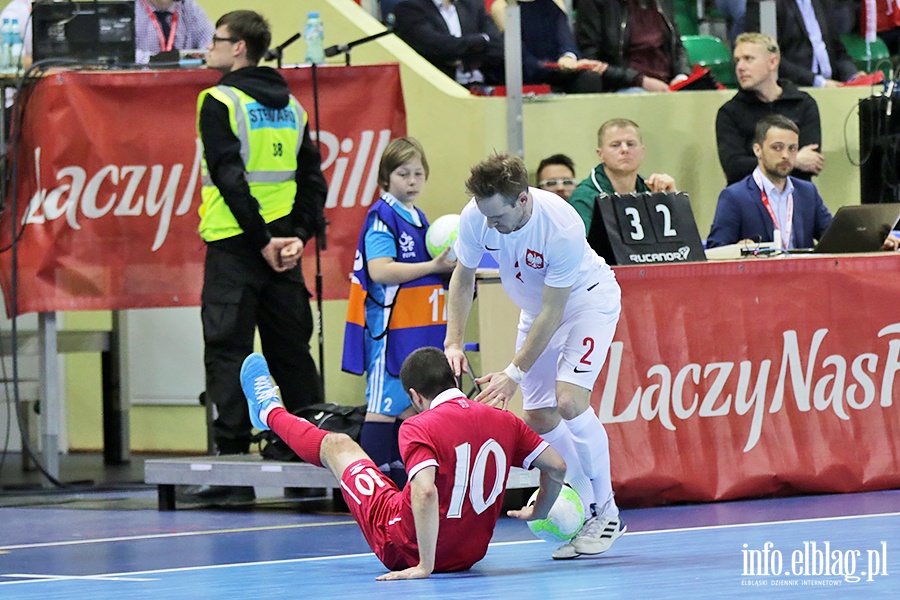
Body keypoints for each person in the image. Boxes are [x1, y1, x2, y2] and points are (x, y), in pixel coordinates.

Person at [241, 347, 568, 579]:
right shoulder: (504, 420)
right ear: (453, 382)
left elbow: (424, 492)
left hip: (402, 547)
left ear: (414, 396)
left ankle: (270, 412)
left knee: (338, 444)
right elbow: (556, 466)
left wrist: (424, 565)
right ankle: (270, 412)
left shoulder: (419, 425)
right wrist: (538, 510)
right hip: (470, 556)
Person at [444, 152, 625, 560]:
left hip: (585, 304)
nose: (491, 226)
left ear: (523, 199)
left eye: (498, 218)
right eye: (485, 216)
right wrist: (453, 341)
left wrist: (513, 373)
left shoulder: (560, 225)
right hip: (536, 310)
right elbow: (463, 274)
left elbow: (554, 312)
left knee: (569, 402)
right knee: (540, 416)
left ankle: (607, 512)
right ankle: (583, 497)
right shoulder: (477, 214)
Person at [186, 10, 326, 504]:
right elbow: (313, 180)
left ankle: (231, 473)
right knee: (292, 353)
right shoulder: (292, 105)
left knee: (229, 351)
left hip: (234, 246)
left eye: (216, 41)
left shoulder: (218, 100)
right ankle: (309, 460)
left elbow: (228, 176)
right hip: (284, 252)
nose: (209, 49)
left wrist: (262, 240)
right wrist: (296, 239)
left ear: (239, 48)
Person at [341, 137, 457, 489]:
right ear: (386, 178)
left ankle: (401, 484)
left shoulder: (418, 217)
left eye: (418, 173)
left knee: (409, 407)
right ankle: (369, 489)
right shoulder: (383, 216)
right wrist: (433, 265)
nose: (412, 180)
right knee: (382, 404)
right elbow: (380, 270)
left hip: (415, 330)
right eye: (403, 173)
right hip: (386, 332)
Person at [707, 115, 832, 249]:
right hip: (759, 269)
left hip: (801, 269)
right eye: (777, 148)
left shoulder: (807, 192)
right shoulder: (735, 196)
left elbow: (835, 237)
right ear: (757, 150)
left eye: (792, 148)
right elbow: (716, 248)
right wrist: (737, 250)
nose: (786, 155)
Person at [716, 33, 823, 186]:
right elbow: (734, 168)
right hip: (747, 198)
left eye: (748, 59)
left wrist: (758, 163)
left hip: (795, 196)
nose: (740, 67)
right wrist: (795, 160)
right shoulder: (729, 112)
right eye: (737, 60)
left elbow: (811, 163)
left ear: (773, 62)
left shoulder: (804, 104)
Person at [567, 118, 677, 234]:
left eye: (631, 144)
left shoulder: (653, 191)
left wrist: (672, 199)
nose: (625, 150)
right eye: (615, 145)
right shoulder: (584, 198)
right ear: (601, 154)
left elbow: (682, 242)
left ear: (642, 151)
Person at [490, 0, 612, 93]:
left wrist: (568, 57)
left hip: (557, 71)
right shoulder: (503, 6)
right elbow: (521, 57)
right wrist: (556, 66)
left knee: (589, 79)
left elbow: (566, 41)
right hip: (525, 73)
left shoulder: (553, 3)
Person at [574, 0, 691, 93]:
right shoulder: (594, 3)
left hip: (667, 85)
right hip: (625, 85)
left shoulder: (661, 3)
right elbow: (591, 61)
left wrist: (681, 75)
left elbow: (677, 46)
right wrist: (640, 80)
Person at [745, 0, 861, 87]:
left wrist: (852, 76)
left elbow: (837, 50)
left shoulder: (821, 2)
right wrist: (818, 82)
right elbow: (767, 57)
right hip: (793, 91)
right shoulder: (766, 3)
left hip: (832, 86)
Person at [393, 0, 505, 86]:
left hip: (484, 84)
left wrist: (464, 57)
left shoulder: (472, 5)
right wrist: (481, 42)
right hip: (441, 87)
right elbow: (438, 46)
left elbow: (500, 45)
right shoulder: (410, 8)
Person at [135, 0, 216, 64]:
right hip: (143, 77)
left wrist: (198, 55)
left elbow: (211, 43)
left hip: (183, 78)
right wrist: (155, 60)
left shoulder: (188, 6)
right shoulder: (130, 8)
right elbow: (124, 56)